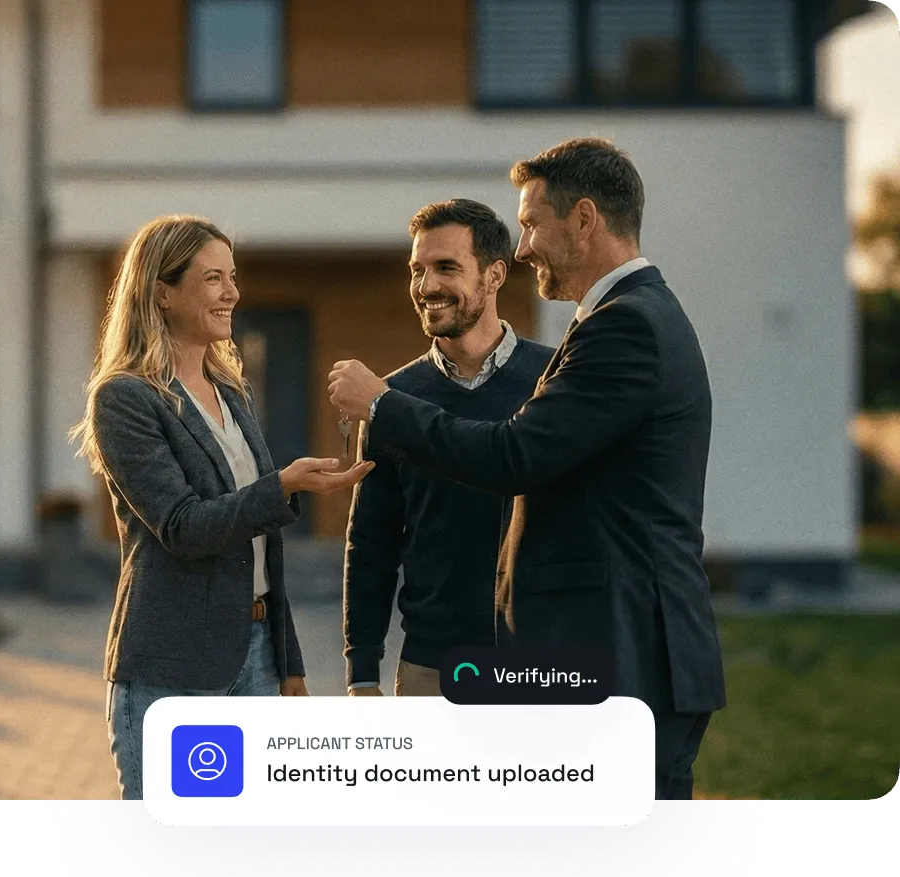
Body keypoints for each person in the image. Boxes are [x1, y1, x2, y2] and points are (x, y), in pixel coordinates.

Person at [328, 138, 726, 799]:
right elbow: (372, 540)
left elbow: (515, 455)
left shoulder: (623, 326)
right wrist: (361, 667)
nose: (524, 246)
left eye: (533, 222)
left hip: (626, 659)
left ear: (584, 218)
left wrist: (381, 405)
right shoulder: (625, 318)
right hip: (588, 658)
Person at [71, 214, 372, 800]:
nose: (232, 292)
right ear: (162, 291)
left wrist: (289, 661)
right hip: (173, 667)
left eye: (232, 277)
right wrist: (281, 486)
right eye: (213, 278)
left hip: (256, 656)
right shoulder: (127, 398)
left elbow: (263, 547)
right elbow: (183, 527)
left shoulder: (232, 391)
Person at [344, 199, 554, 697]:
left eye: (446, 268)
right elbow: (371, 542)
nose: (427, 286)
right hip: (430, 668)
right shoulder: (390, 400)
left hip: (542, 661)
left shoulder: (554, 380)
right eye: (417, 270)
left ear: (495, 274)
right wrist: (362, 672)